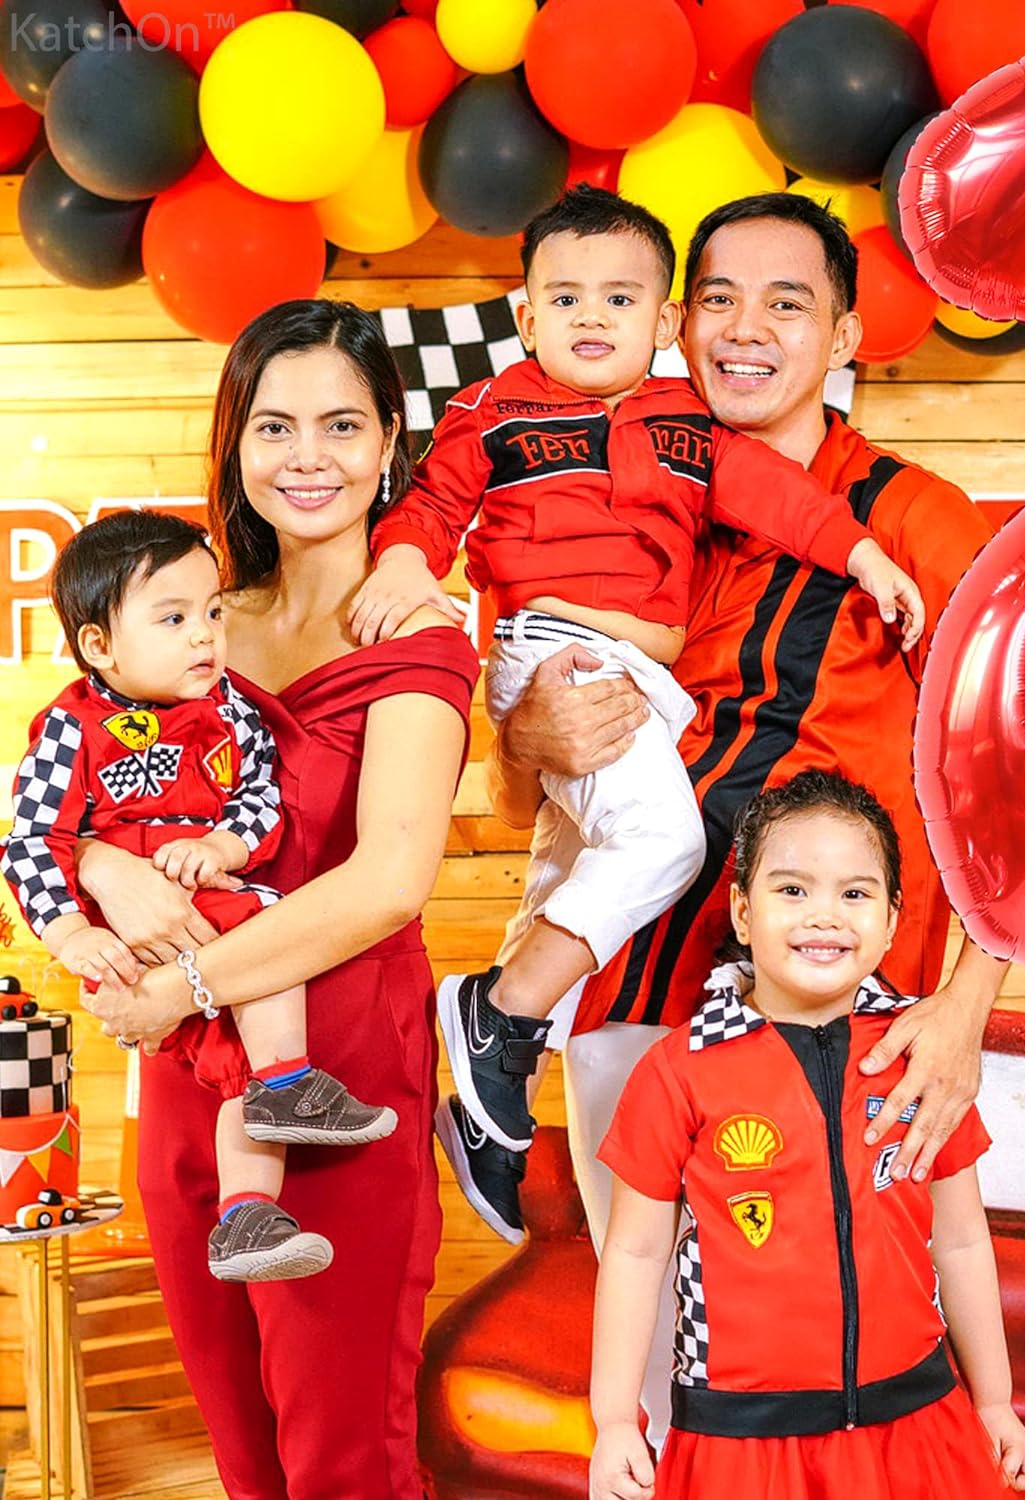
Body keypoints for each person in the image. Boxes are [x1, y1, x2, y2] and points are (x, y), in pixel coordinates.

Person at [347, 185, 924, 1241]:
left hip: (662, 725)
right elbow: (431, 505)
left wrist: (863, 555)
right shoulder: (495, 412)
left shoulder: (690, 430)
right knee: (661, 841)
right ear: (526, 317)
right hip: (555, 648)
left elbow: (780, 499)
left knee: (574, 867)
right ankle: (499, 1014)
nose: (591, 317)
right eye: (565, 298)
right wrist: (399, 561)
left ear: (658, 321)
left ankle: (489, 1101)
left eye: (619, 299)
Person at [72, 300, 479, 1500]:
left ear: (390, 438)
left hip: (336, 1077)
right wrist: (97, 869)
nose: (308, 457)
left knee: (341, 1453)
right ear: (237, 441)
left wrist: (183, 985)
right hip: (185, 1071)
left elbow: (387, 881)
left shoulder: (421, 638)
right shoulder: (190, 630)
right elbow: (78, 796)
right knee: (241, 1444)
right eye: (275, 425)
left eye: (342, 425)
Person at [589, 771, 1025, 1500]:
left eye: (855, 893)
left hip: (915, 1420)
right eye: (793, 890)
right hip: (741, 1440)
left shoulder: (921, 1058)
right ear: (743, 911)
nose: (824, 916)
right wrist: (615, 1420)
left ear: (892, 921)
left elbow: (960, 1240)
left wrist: (994, 1401)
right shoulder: (679, 1069)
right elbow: (636, 1253)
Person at [3, 510, 396, 1284]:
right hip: (127, 939)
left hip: (207, 901)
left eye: (213, 612)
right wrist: (71, 934)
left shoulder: (232, 713)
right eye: (174, 619)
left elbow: (260, 802)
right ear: (99, 646)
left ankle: (246, 1213)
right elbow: (31, 839)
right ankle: (289, 1084)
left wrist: (222, 847)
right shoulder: (71, 728)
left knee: (244, 1052)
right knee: (265, 940)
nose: (204, 637)